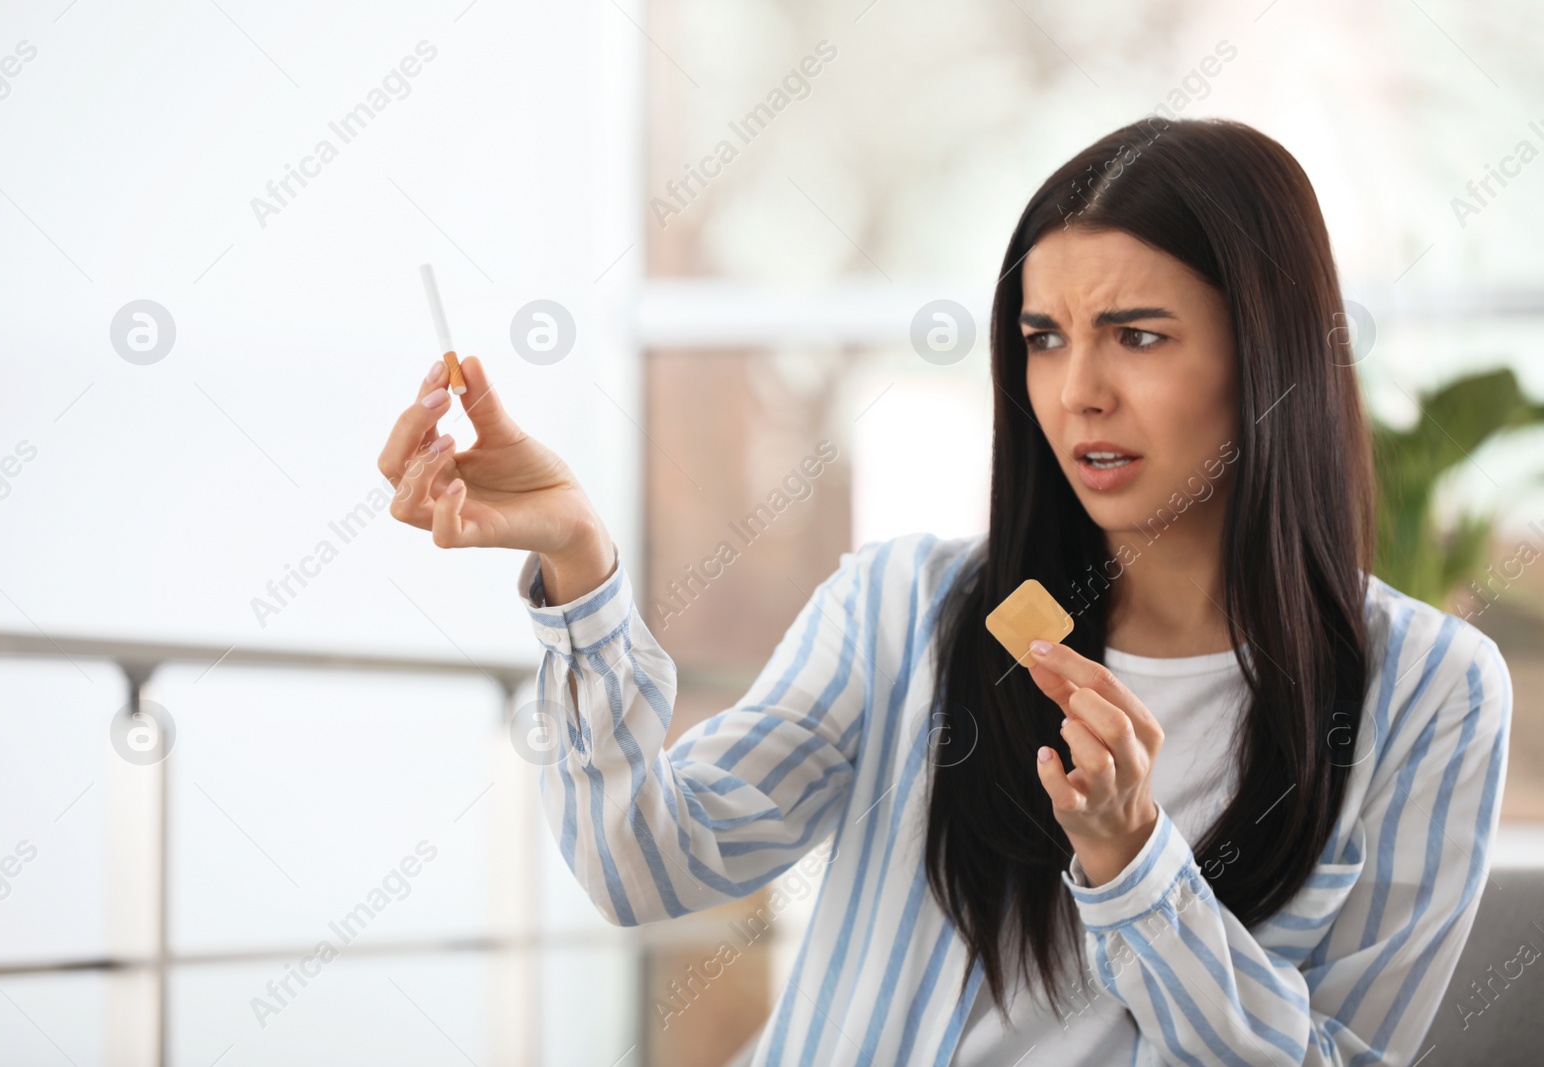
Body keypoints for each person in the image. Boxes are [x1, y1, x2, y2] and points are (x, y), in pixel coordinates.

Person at [377, 116, 1513, 1066]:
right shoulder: (903, 606)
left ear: (1267, 357)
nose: (1077, 393)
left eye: (1136, 335)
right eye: (1042, 336)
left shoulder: (1427, 690)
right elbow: (646, 862)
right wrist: (580, 571)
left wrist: (1131, 860)